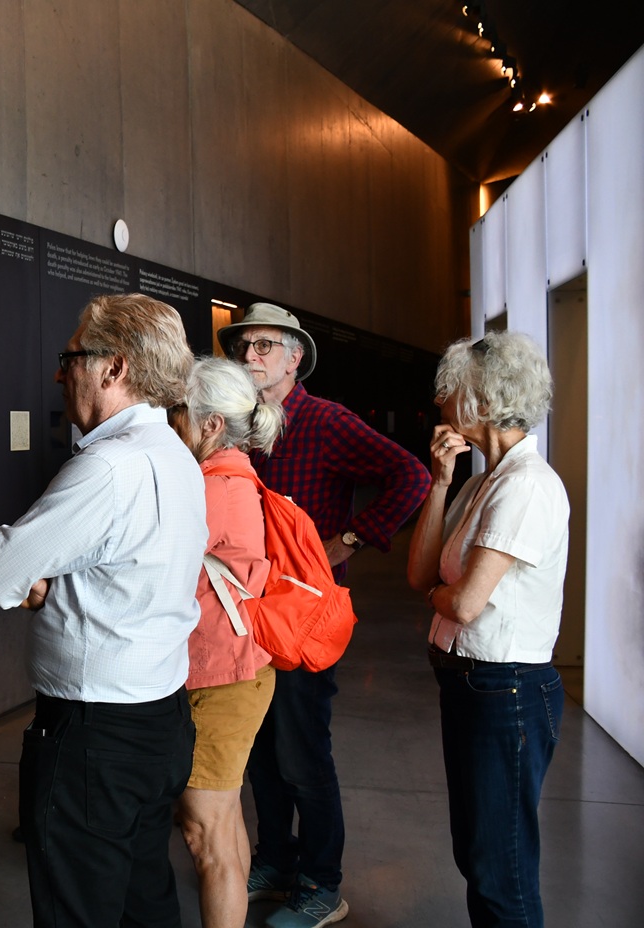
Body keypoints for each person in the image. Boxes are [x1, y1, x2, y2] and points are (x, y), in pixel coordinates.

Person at [0, 293, 206, 928]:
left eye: (71, 357)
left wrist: (33, 573)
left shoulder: (108, 467)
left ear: (114, 368)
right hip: (160, 717)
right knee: (144, 901)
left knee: (77, 911)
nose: (59, 373)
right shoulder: (176, 456)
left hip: (94, 736)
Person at [218, 302, 430, 928]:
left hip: (305, 620)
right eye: (243, 346)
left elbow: (411, 476)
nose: (250, 356)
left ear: (295, 358)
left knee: (303, 754)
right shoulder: (240, 423)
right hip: (251, 615)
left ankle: (321, 883)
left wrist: (351, 540)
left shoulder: (326, 421)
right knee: (261, 750)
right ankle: (276, 862)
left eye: (264, 346)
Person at [406, 331, 567, 928]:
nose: (440, 400)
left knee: (502, 869)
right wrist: (440, 479)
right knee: (479, 854)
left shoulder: (526, 485)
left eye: (451, 389)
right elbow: (420, 572)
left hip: (507, 690)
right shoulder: (482, 482)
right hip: (475, 687)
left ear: (484, 399)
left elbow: (466, 604)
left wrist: (438, 596)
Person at [169, 357, 284, 928]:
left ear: (211, 424)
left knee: (203, 833)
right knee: (224, 821)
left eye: (179, 411)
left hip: (223, 679)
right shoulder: (236, 475)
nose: (171, 421)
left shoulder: (212, 487)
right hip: (236, 672)